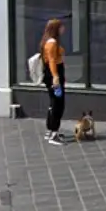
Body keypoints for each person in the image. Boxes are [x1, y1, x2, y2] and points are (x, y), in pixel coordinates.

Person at [40, 18, 67, 146]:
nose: (63, 29)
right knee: (58, 103)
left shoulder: (48, 41)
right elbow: (51, 61)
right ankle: (54, 133)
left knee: (53, 102)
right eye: (61, 27)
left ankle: (50, 129)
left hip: (51, 75)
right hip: (54, 75)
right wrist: (55, 77)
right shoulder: (52, 43)